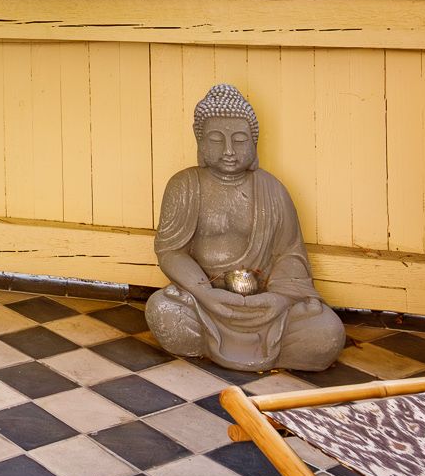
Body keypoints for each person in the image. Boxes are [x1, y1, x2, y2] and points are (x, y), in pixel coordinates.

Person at [145, 84, 346, 372]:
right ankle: (209, 338)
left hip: (266, 304)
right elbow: (170, 250)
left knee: (326, 332)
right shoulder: (185, 186)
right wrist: (205, 293)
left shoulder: (272, 189)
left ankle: (275, 343)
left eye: (239, 140)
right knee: (163, 311)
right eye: (216, 140)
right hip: (204, 300)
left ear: (254, 142)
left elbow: (290, 255)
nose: (228, 151)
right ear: (200, 142)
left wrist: (279, 299)